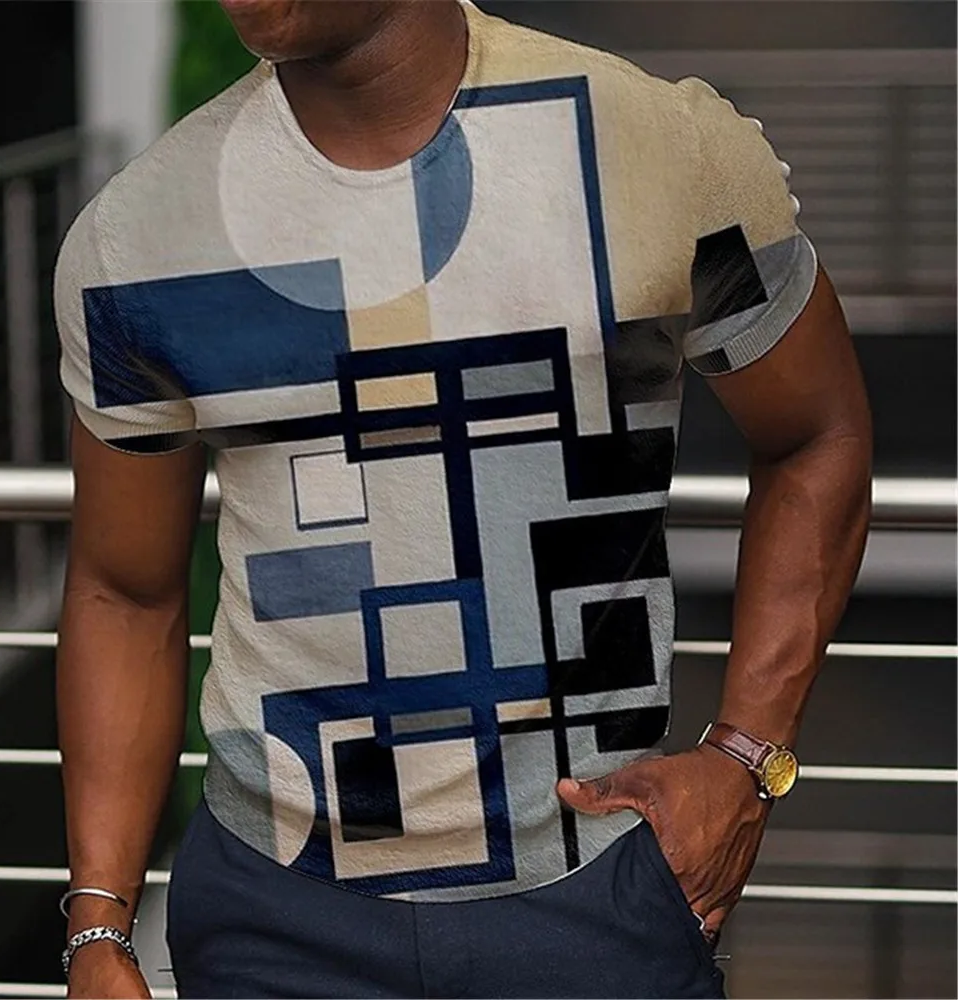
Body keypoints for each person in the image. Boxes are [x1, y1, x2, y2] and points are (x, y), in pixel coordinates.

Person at [54, 2, 872, 997]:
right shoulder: (139, 236)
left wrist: (747, 756)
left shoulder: (658, 148)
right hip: (273, 915)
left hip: (594, 889)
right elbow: (123, 588)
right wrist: (98, 922)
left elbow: (816, 435)